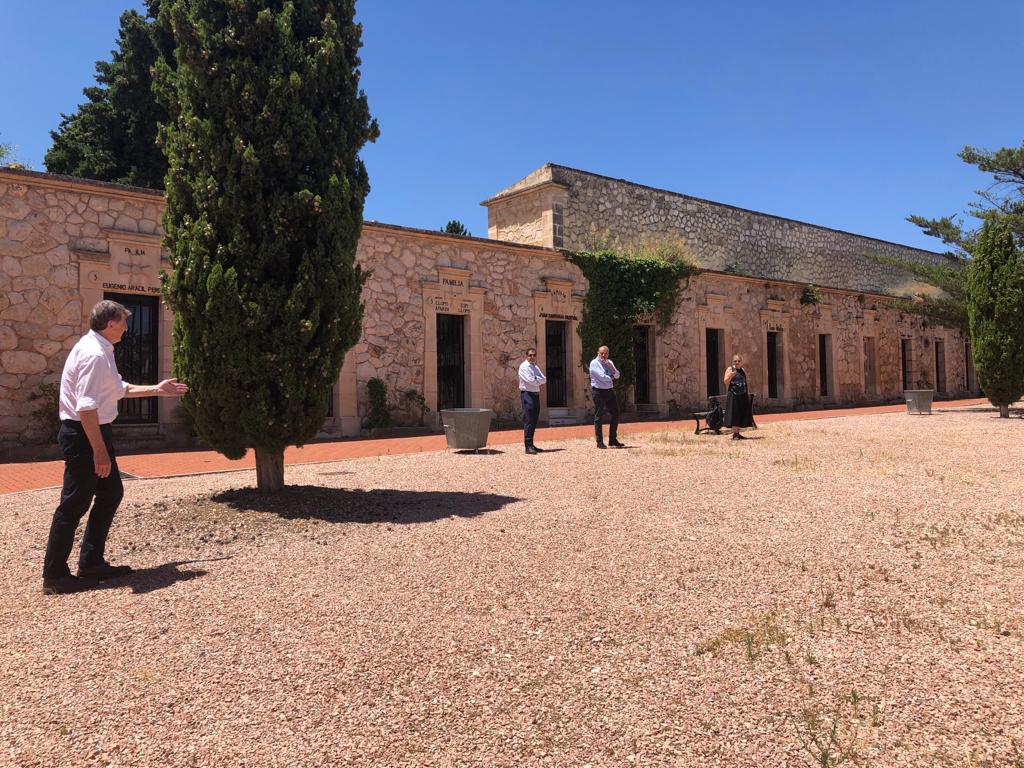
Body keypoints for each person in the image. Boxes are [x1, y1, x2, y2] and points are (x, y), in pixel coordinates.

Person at [42, 300, 189, 595]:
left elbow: (119, 389)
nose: (126, 328)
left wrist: (157, 389)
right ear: (111, 324)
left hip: (95, 432)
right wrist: (98, 451)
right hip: (85, 434)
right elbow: (86, 408)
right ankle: (55, 575)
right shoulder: (95, 354)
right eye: (123, 322)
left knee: (110, 493)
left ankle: (91, 562)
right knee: (74, 503)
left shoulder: (101, 349)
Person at [589, 345, 624, 449]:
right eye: (601, 353)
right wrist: (612, 376)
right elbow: (602, 377)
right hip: (599, 391)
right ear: (598, 353)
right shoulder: (594, 363)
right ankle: (599, 442)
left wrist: (611, 367)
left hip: (609, 390)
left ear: (608, 354)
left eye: (605, 353)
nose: (603, 355)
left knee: (616, 413)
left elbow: (617, 375)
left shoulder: (609, 362)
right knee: (599, 416)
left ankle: (612, 439)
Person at [518, 348, 547, 455]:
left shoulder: (536, 366)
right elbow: (530, 381)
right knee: (529, 420)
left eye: (534, 355)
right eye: (530, 355)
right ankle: (527, 446)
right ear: (526, 356)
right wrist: (537, 379)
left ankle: (531, 444)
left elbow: (544, 379)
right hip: (527, 395)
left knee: (534, 420)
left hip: (535, 395)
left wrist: (536, 378)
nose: (532, 357)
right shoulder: (523, 367)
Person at [723, 353, 753, 440]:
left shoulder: (743, 370)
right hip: (733, 395)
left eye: (738, 361)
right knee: (734, 414)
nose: (737, 362)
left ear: (741, 362)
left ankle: (737, 433)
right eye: (735, 361)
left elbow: (745, 382)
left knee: (740, 413)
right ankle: (735, 434)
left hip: (742, 395)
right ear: (733, 362)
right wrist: (730, 375)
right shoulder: (730, 369)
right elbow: (725, 381)